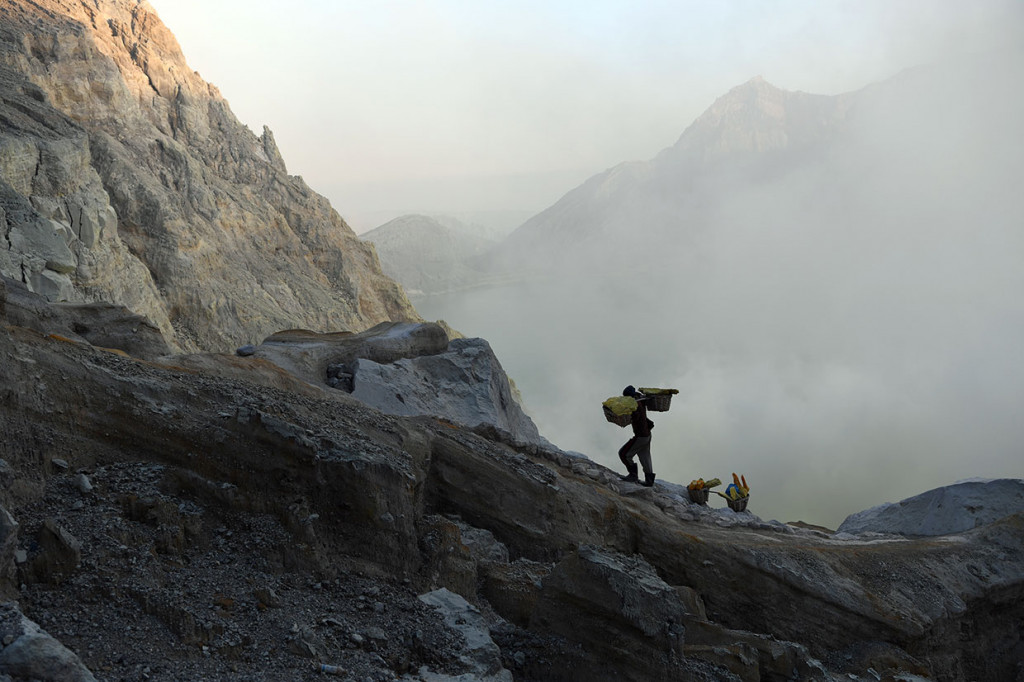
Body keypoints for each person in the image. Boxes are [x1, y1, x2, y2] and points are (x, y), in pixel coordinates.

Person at [618, 385, 655, 486]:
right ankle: (649, 480)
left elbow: (635, 416)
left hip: (641, 436)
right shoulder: (640, 399)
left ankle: (633, 475)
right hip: (647, 434)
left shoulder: (635, 405)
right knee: (645, 456)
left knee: (624, 454)